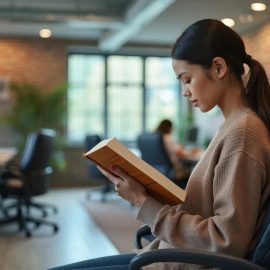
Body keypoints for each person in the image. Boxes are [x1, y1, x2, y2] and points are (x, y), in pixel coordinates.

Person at [49, 19, 270, 270]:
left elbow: (225, 240)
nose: (185, 91)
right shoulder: (233, 127)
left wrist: (144, 203)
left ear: (218, 67)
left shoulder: (243, 132)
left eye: (187, 79)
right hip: (170, 254)